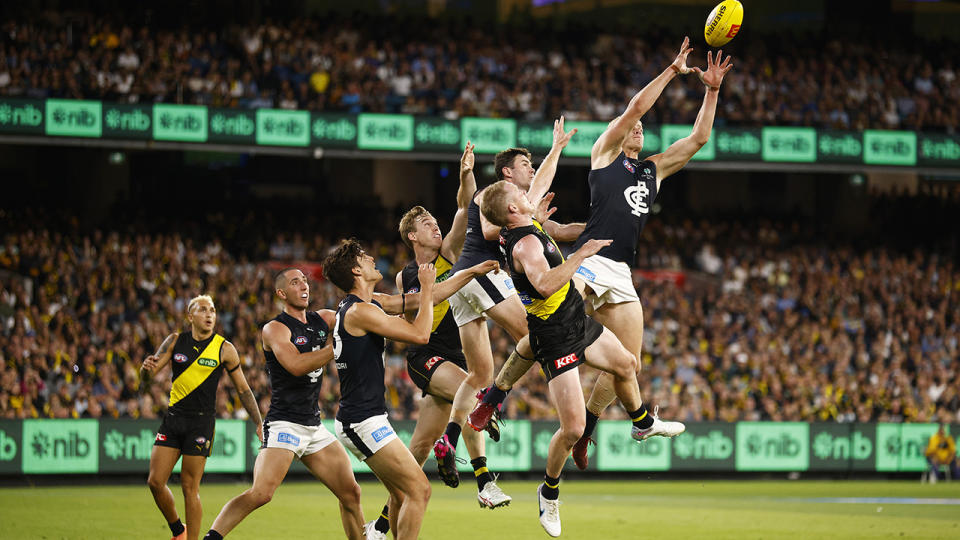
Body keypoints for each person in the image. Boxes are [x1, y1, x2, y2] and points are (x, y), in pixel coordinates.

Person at [473, 40, 730, 471]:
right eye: (632, 126)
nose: (638, 129)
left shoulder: (653, 170)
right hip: (589, 261)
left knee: (627, 363)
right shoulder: (604, 155)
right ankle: (494, 396)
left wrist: (712, 90)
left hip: (622, 272)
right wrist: (672, 70)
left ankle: (589, 430)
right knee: (549, 320)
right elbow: (633, 109)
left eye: (642, 129)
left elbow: (699, 138)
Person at [480, 181, 682, 537]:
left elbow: (543, 230)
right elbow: (544, 284)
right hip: (555, 338)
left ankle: (641, 422)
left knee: (625, 363)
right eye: (519, 196)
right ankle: (549, 492)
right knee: (572, 429)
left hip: (577, 321)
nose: (526, 195)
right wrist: (581, 254)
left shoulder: (528, 228)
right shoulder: (525, 243)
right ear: (512, 211)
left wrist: (597, 230)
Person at [367, 147, 512, 538]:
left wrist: (467, 174)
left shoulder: (450, 251)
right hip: (425, 358)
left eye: (436, 222)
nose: (436, 227)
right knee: (476, 390)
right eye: (428, 224)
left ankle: (380, 527)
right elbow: (416, 304)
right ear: (413, 235)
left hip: (450, 356)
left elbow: (465, 206)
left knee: (415, 455)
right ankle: (484, 483)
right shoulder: (407, 274)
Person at [436, 117, 582, 487]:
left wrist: (557, 150)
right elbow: (488, 228)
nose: (531, 171)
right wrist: (526, 217)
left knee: (479, 373)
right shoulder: (496, 194)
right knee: (536, 334)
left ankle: (450, 438)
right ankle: (494, 399)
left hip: (464, 283)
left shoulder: (513, 201)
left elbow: (539, 190)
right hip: (480, 273)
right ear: (506, 172)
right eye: (524, 166)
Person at [204, 268, 362, 539]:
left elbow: (359, 316)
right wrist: (336, 347)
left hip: (313, 426)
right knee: (261, 493)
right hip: (285, 423)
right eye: (294, 282)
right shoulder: (274, 328)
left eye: (304, 280)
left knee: (351, 494)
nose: (304, 285)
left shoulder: (323, 318)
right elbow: (296, 365)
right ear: (281, 293)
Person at [321, 239, 443, 540]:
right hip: (362, 421)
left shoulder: (365, 305)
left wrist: (469, 273)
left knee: (401, 495)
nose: (373, 258)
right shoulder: (360, 311)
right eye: (364, 257)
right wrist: (427, 286)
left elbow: (411, 303)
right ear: (355, 271)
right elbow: (421, 334)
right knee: (419, 490)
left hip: (364, 417)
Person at [140, 294, 263, 540]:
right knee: (155, 482)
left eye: (213, 311)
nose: (209, 315)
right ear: (190, 316)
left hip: (201, 423)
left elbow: (243, 390)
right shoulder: (175, 341)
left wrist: (259, 422)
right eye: (203, 310)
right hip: (173, 418)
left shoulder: (225, 348)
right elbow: (148, 377)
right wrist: (144, 372)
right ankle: (178, 530)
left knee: (189, 487)